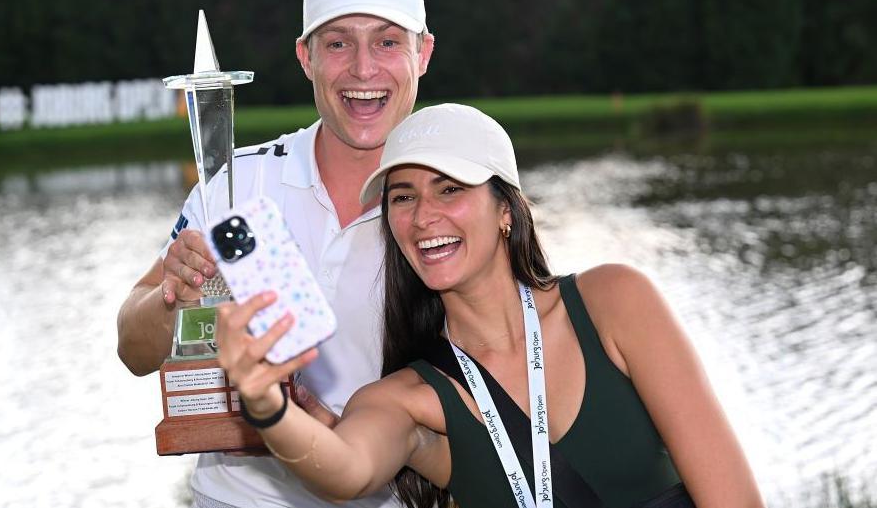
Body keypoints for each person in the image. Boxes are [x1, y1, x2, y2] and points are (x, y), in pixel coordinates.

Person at [218, 104, 766, 508]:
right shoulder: (410, 397)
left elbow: (736, 501)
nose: (423, 215)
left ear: (506, 209)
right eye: (403, 197)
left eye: (450, 189)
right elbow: (343, 470)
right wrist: (266, 404)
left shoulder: (615, 302)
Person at [116, 0, 433, 507]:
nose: (363, 69)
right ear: (305, 57)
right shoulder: (240, 182)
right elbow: (132, 349)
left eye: (387, 41)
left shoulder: (454, 201)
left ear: (422, 52)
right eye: (337, 43)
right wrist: (174, 296)